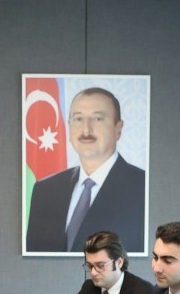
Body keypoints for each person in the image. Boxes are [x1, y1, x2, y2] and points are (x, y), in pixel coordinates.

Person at [25, 87, 147, 254]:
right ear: (69, 126)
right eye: (78, 119)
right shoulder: (45, 190)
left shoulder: (142, 187)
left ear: (118, 128)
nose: (86, 130)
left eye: (97, 118)